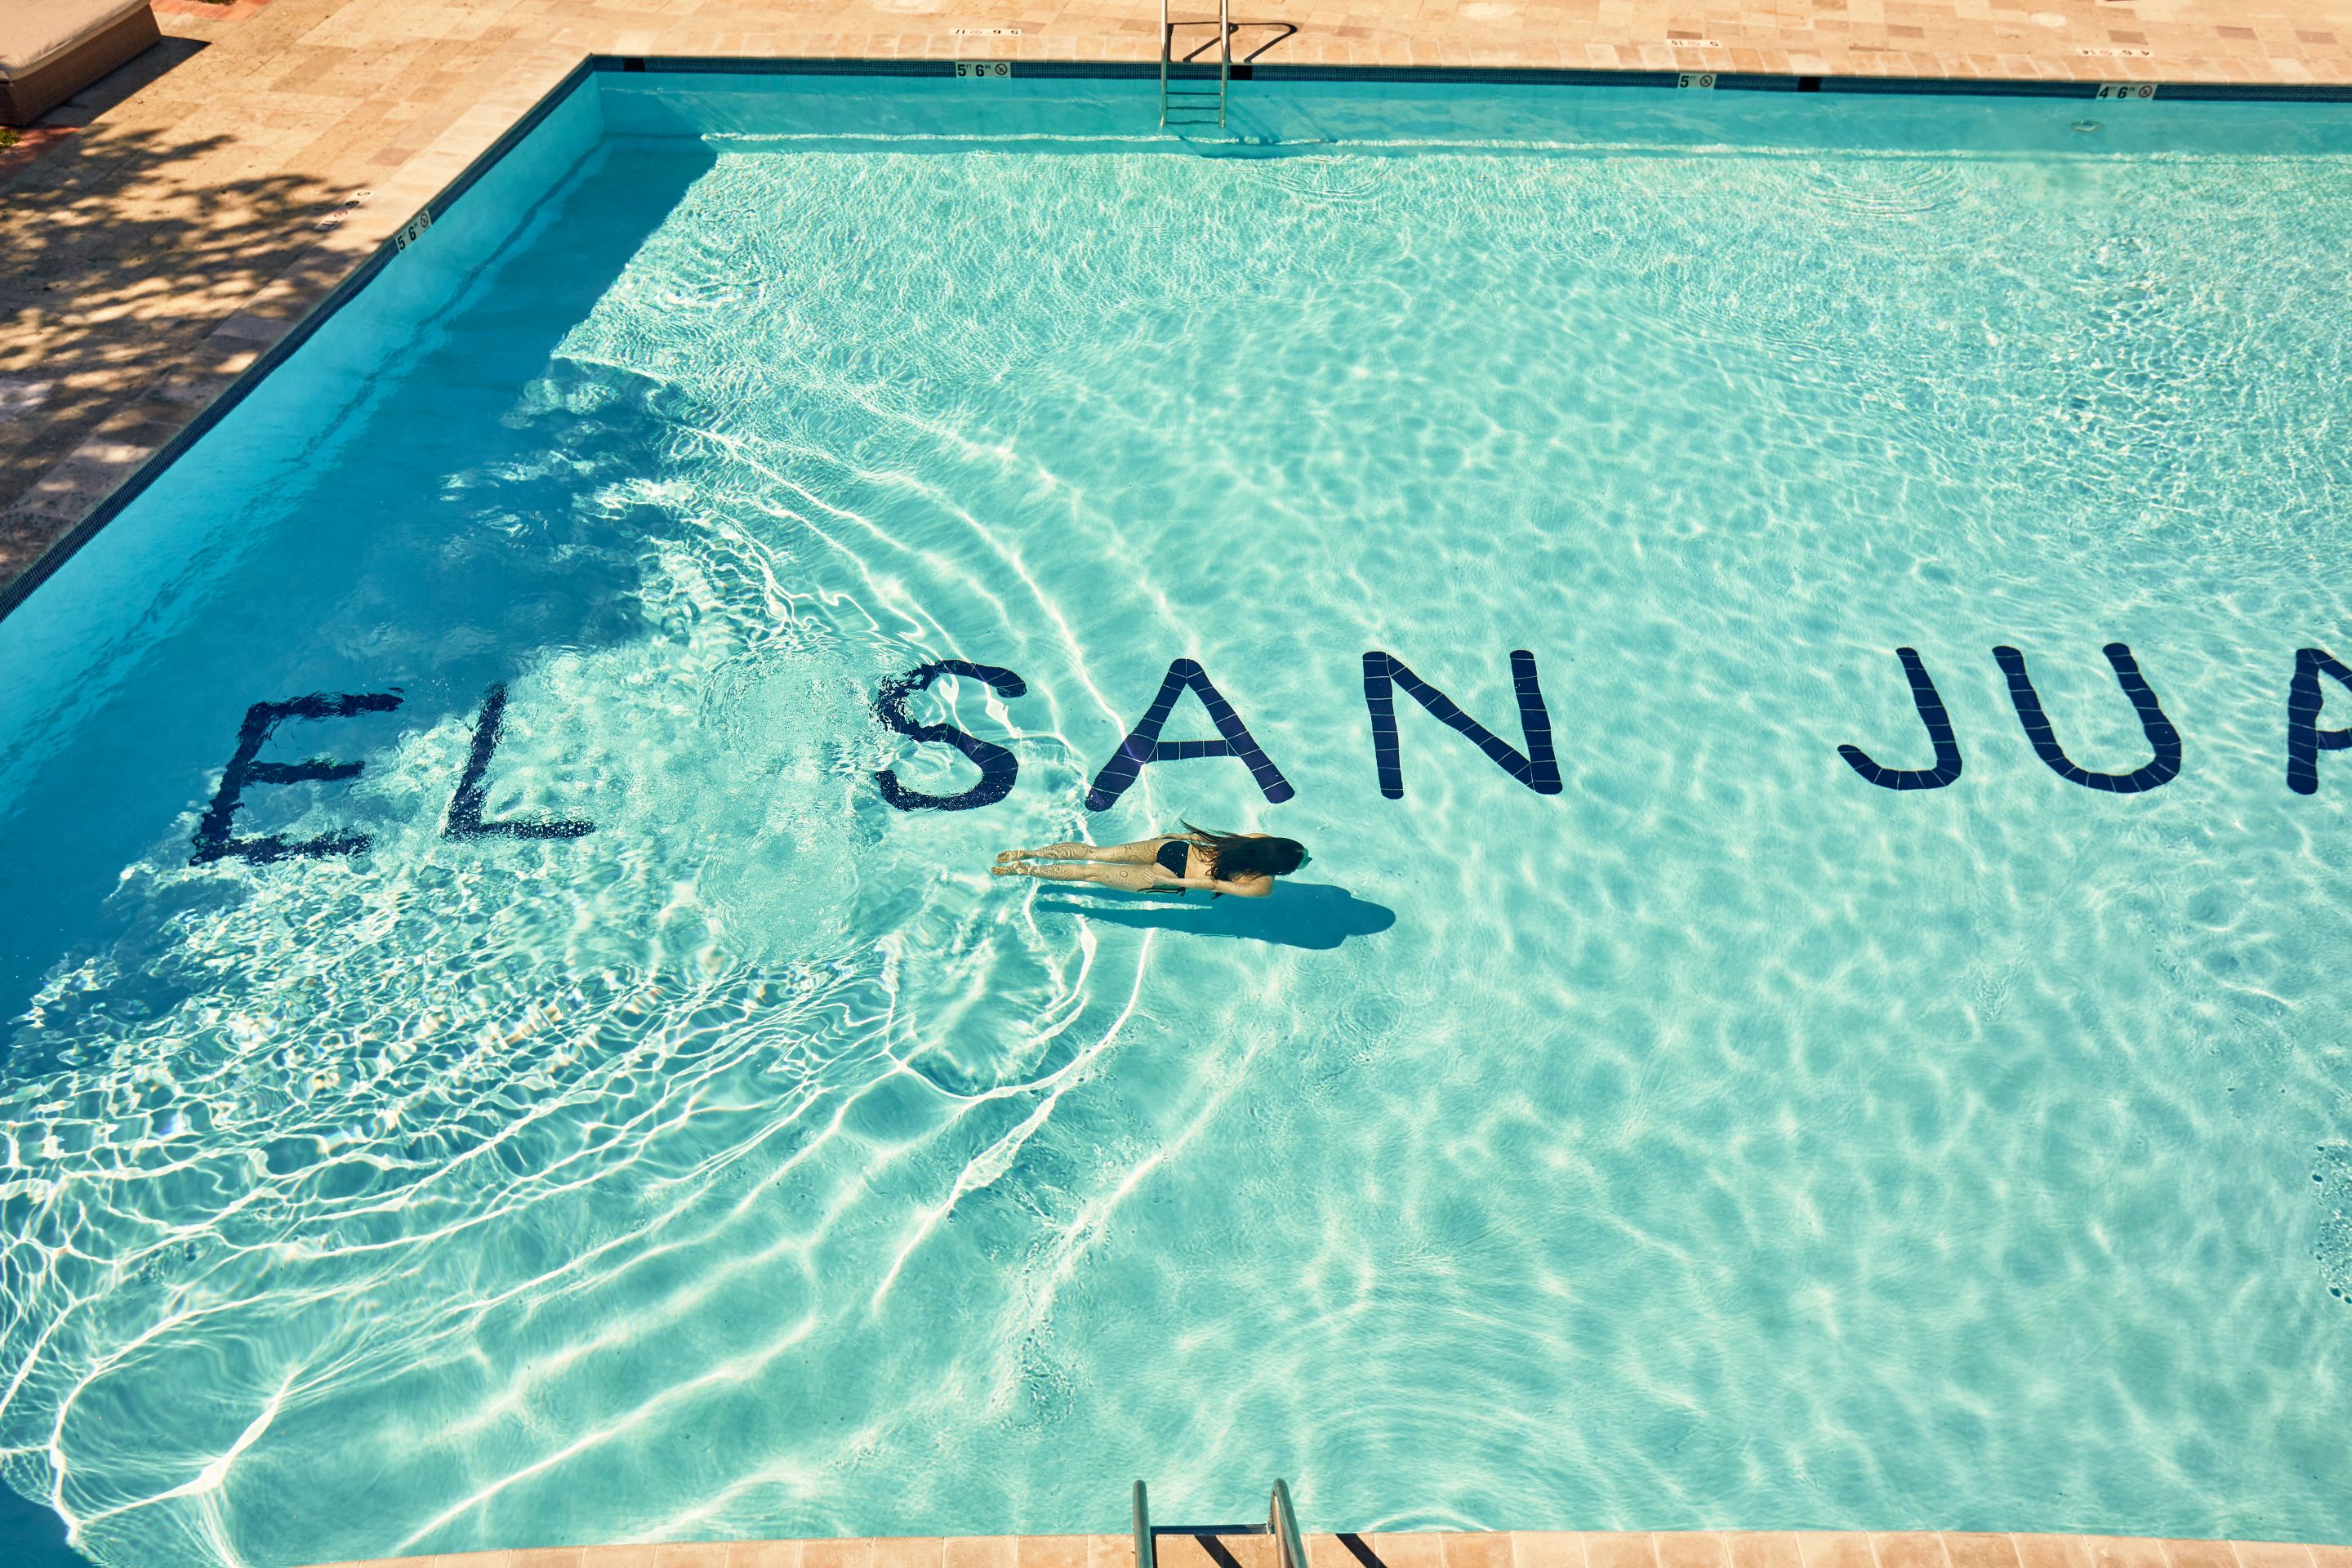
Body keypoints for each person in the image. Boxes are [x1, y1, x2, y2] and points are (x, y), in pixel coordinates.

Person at [992, 822, 1307, 898]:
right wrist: (1173, 882)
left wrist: (1182, 837)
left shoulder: (1259, 838)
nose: (1306, 859)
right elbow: (1214, 884)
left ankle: (1027, 853)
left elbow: (1217, 840)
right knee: (1091, 874)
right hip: (1172, 874)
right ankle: (1023, 870)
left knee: (1095, 853)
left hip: (1174, 849)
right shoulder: (1262, 885)